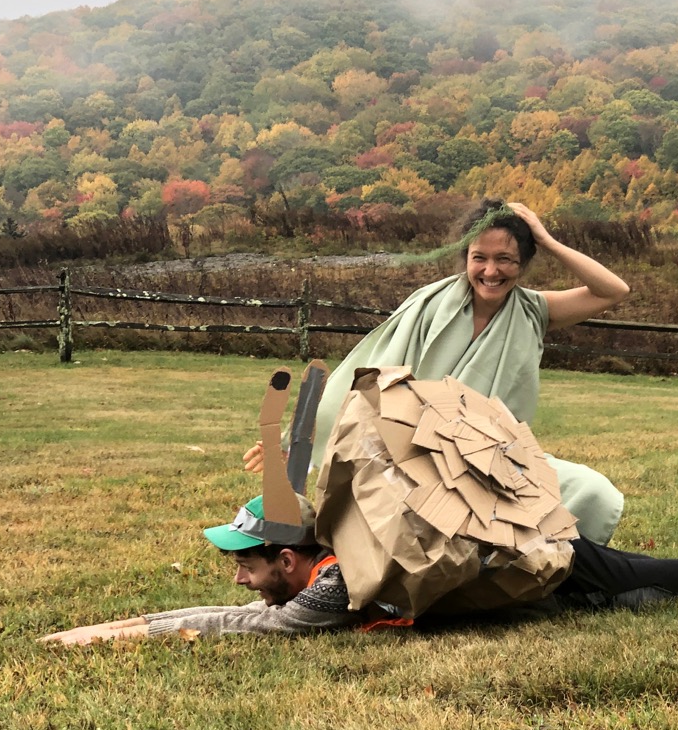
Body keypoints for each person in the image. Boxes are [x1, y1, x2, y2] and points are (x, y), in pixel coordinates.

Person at [40, 492, 678, 645]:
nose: (242, 580)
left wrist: (109, 633)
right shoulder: (345, 560)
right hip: (549, 592)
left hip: (556, 570)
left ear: (287, 559)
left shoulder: (331, 591)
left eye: (247, 566)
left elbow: (224, 627)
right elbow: (222, 609)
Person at [248, 199, 631, 545]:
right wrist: (295, 443)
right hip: (418, 459)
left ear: (524, 263)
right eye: (479, 257)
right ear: (465, 256)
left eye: (506, 260)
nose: (491, 271)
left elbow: (613, 290)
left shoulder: (535, 310)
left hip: (495, 462)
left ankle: (560, 566)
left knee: (591, 491)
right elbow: (366, 374)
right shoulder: (429, 305)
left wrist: (546, 239)